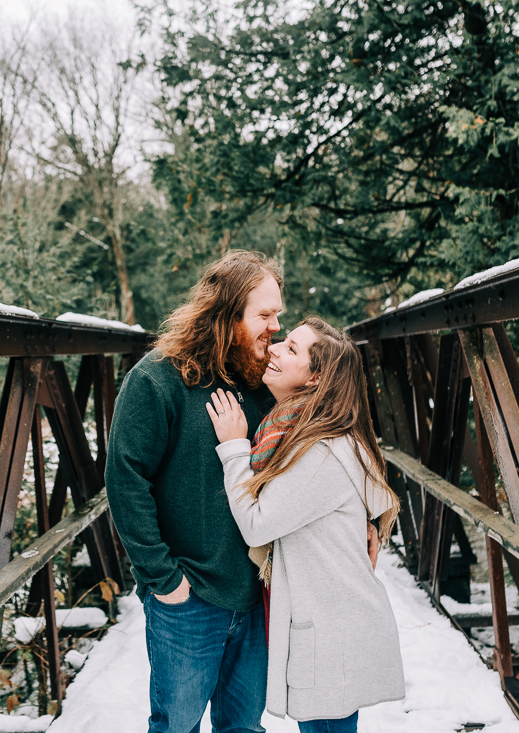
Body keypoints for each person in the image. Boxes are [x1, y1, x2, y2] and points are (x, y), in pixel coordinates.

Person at [105, 252, 379, 733]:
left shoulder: (265, 382)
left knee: (245, 730)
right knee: (176, 727)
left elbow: (335, 432)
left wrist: (372, 517)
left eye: (279, 315)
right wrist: (163, 579)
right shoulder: (155, 381)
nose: (276, 327)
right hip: (188, 600)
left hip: (257, 601)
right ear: (226, 314)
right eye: (266, 316)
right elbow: (125, 481)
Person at [206, 317, 405, 733]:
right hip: (330, 630)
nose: (275, 348)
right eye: (283, 341)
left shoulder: (319, 450)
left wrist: (233, 449)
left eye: (292, 349)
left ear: (316, 378)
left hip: (333, 640)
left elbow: (259, 525)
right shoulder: (297, 431)